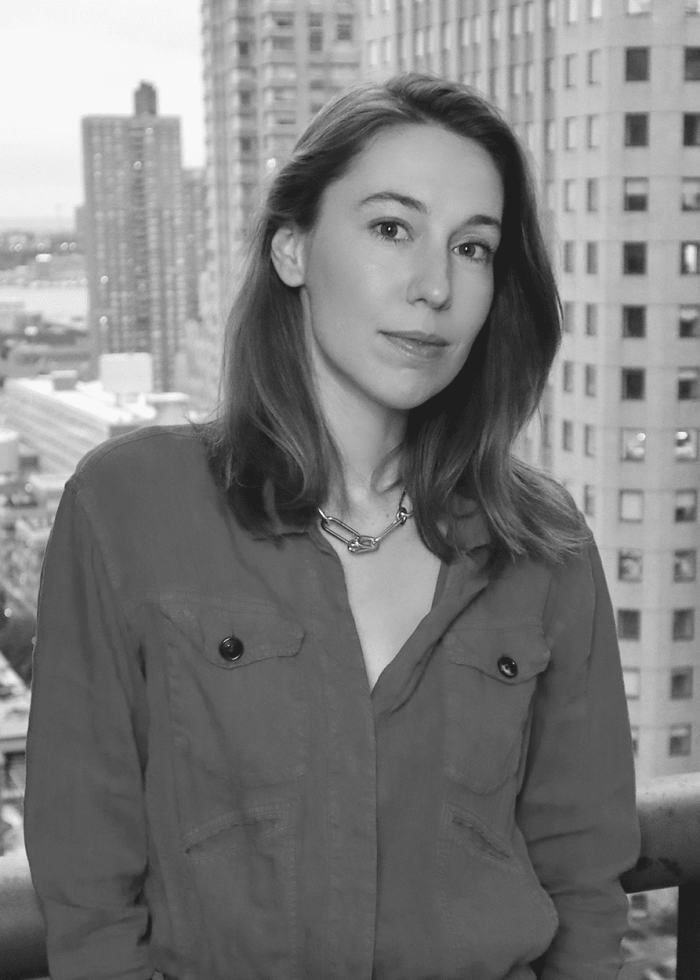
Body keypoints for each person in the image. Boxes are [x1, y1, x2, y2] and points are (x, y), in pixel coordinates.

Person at [24, 73, 640, 980]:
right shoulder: (128, 505)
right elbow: (88, 887)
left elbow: (583, 872)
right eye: (392, 228)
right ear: (293, 249)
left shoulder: (543, 543)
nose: (435, 286)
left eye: (473, 248)